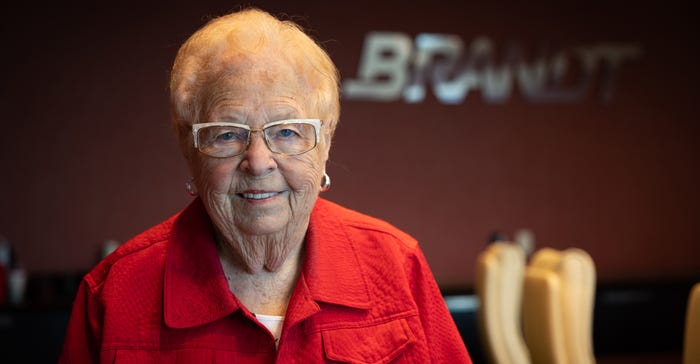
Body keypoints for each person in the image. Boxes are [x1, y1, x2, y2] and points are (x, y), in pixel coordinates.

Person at [59, 7, 472, 363]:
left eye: (287, 132)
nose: (258, 162)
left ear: (324, 141)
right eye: (227, 134)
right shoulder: (113, 293)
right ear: (190, 147)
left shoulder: (396, 265)